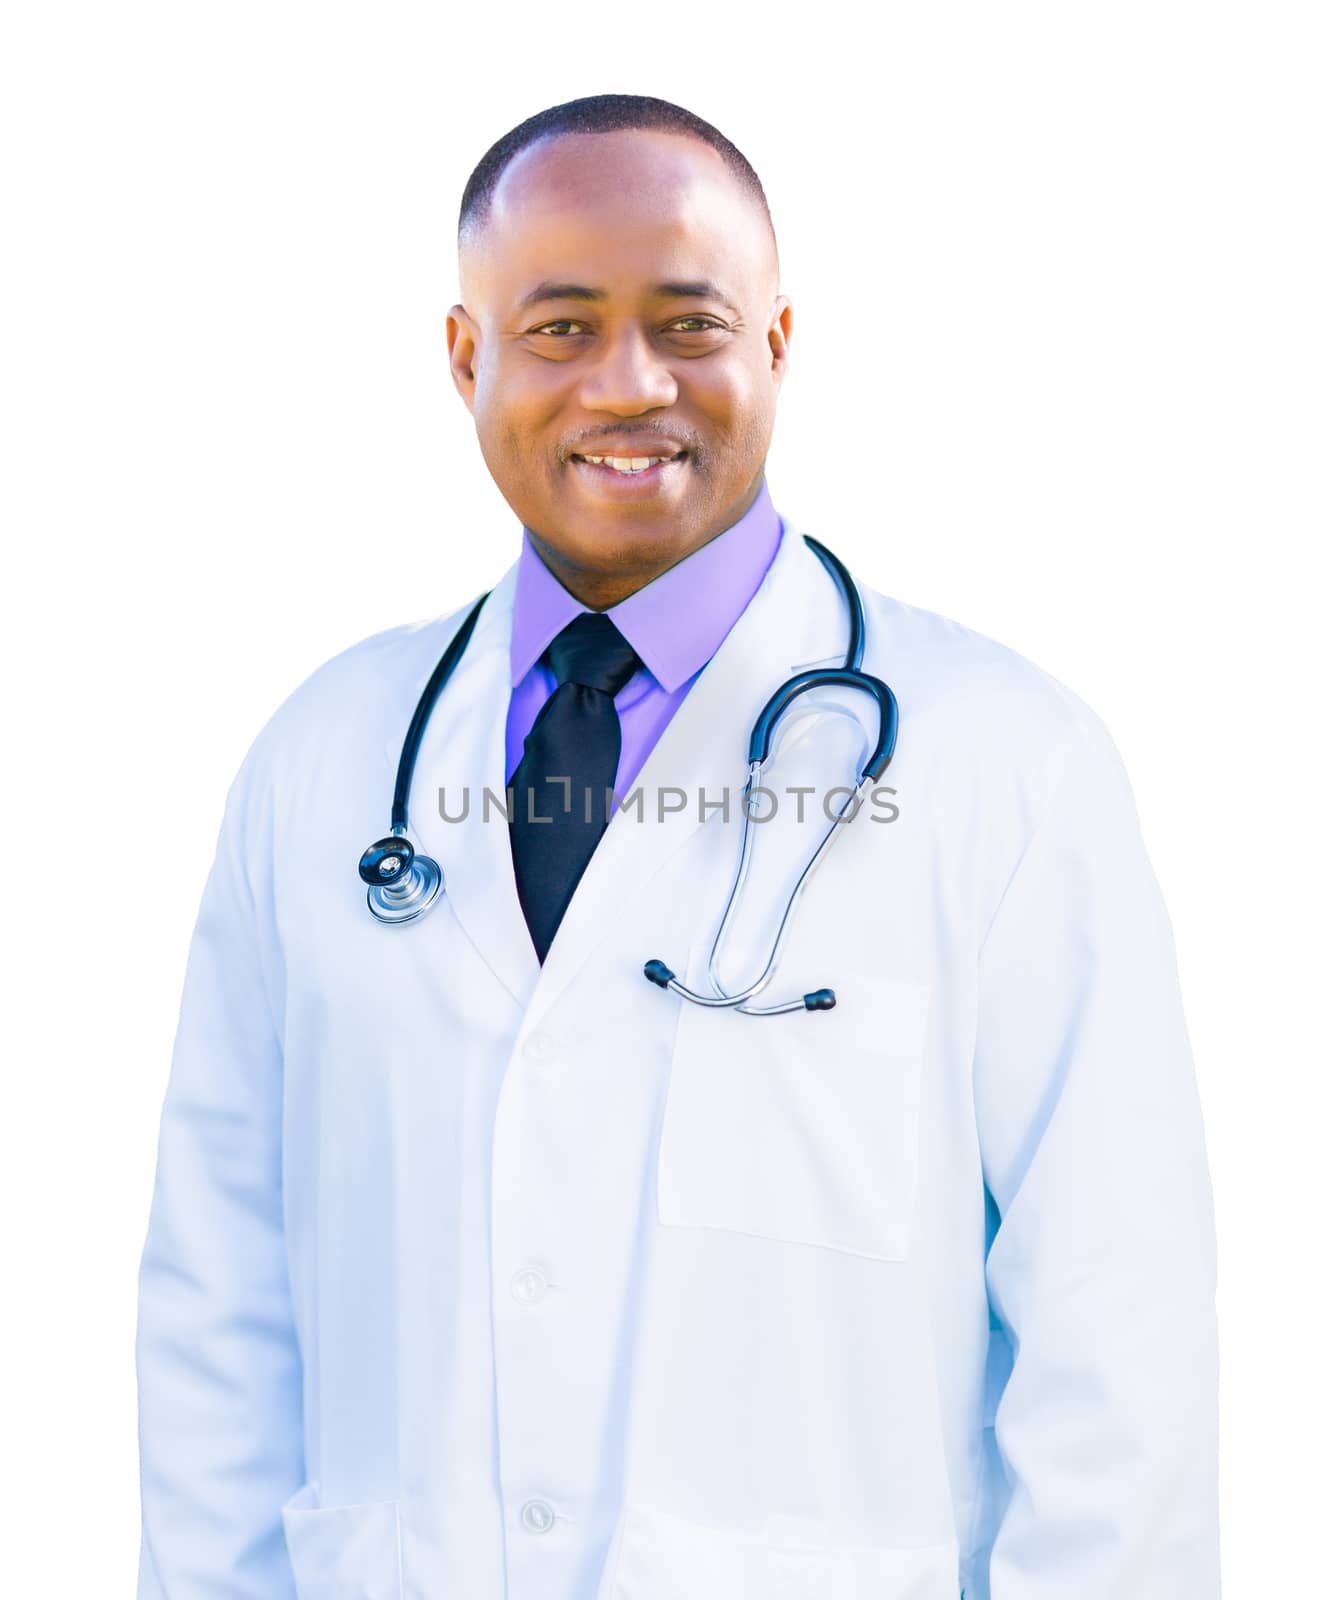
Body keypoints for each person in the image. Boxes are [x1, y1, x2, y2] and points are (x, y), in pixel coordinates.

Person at [134, 93, 1221, 1600]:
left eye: (689, 324)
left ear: (777, 344)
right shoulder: (323, 764)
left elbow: (1117, 1336)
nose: (627, 385)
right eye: (562, 327)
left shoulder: (1003, 764)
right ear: (467, 359)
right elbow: (219, 1315)